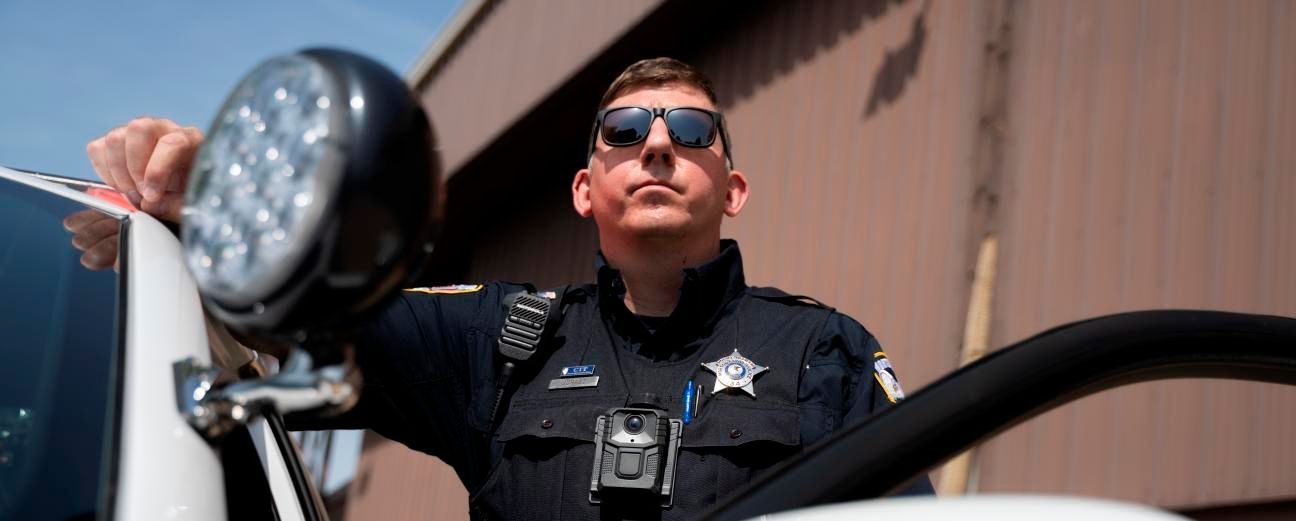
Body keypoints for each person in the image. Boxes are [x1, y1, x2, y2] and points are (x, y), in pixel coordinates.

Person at [77, 57, 932, 519]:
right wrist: (212, 212)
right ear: (584, 190)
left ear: (733, 188)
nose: (658, 145)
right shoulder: (502, 339)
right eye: (624, 130)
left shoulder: (827, 353)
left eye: (691, 128)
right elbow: (301, 318)